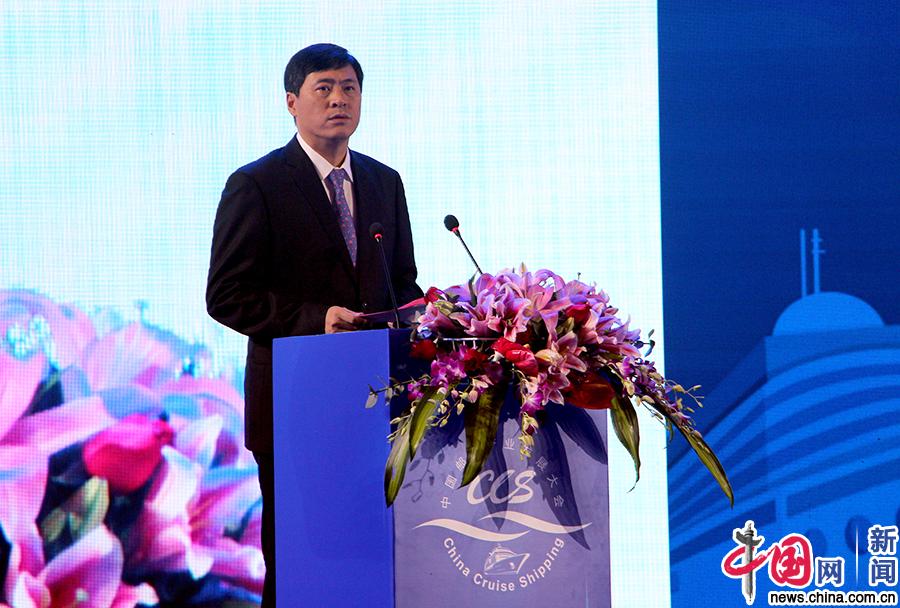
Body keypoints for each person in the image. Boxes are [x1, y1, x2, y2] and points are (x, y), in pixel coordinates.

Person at [206, 43, 422, 607]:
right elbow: (226, 296)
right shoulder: (257, 184)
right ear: (291, 102)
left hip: (378, 411)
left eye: (349, 88)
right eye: (323, 88)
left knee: (375, 565)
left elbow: (402, 284)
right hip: (295, 408)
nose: (338, 100)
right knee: (302, 567)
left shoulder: (384, 182)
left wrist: (423, 315)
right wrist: (314, 320)